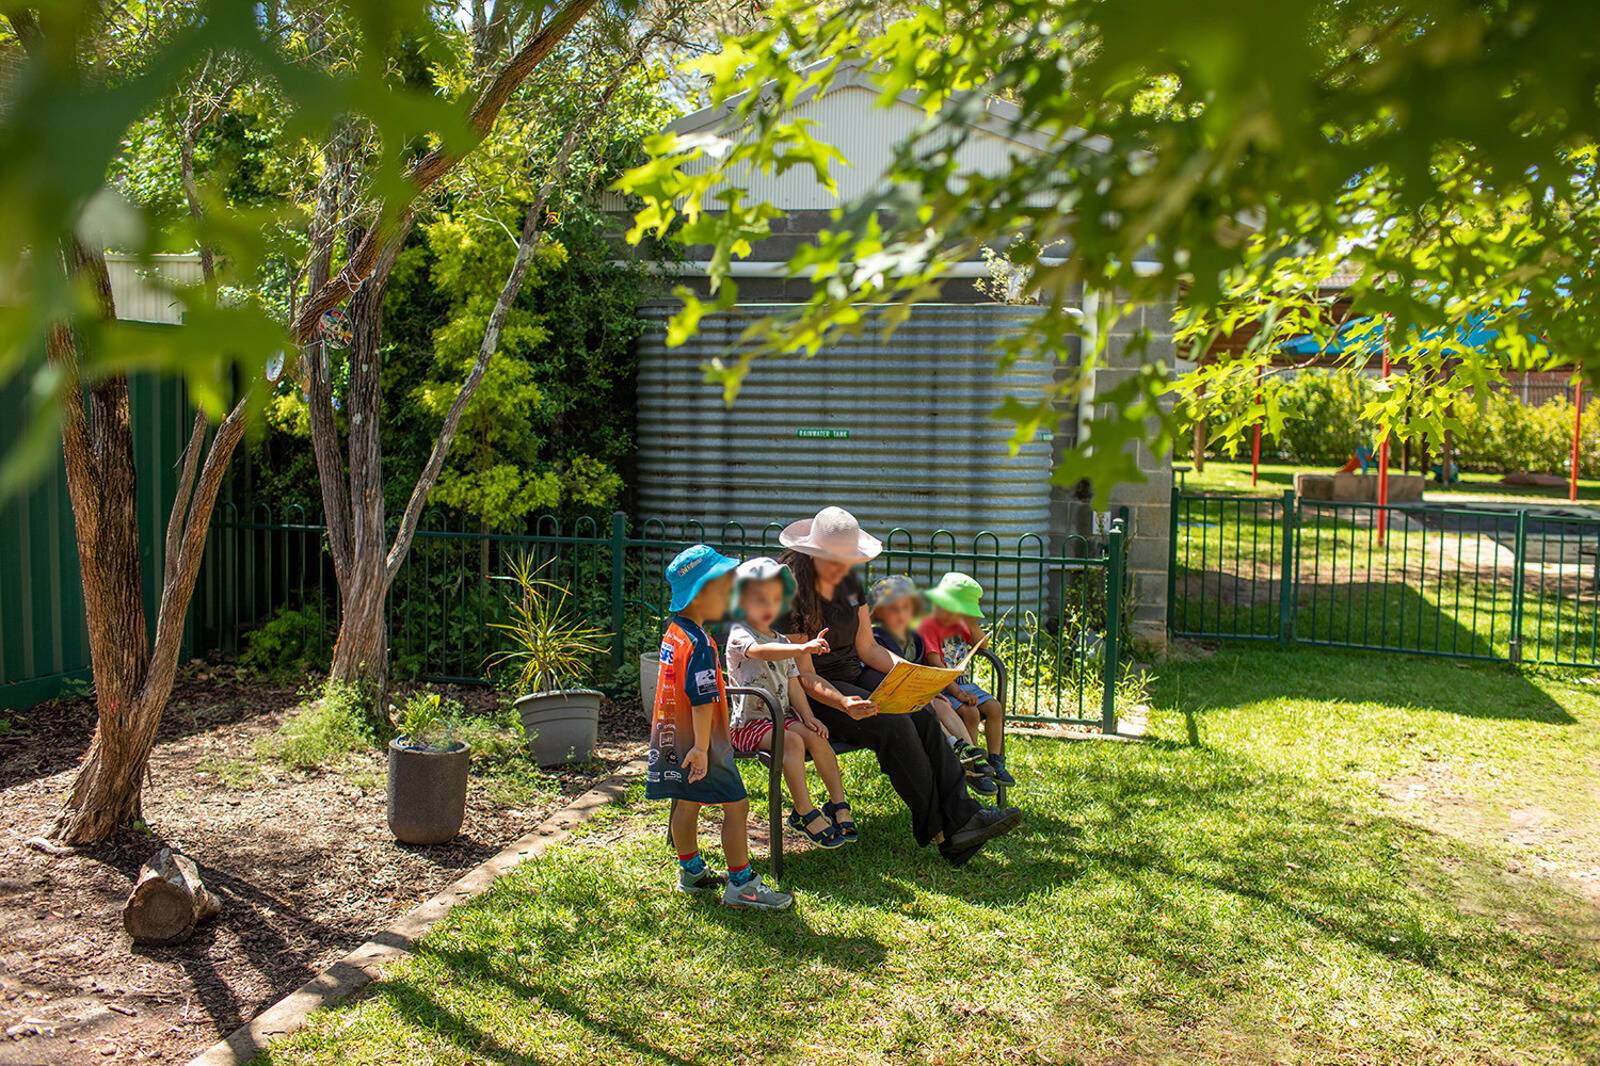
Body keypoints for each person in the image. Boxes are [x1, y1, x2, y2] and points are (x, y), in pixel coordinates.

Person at [775, 506, 1022, 867]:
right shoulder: (792, 592)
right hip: (817, 692)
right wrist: (845, 703)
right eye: (834, 560)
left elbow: (868, 648)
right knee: (894, 725)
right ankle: (945, 831)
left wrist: (908, 672)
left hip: (854, 671)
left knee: (918, 709)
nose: (843, 567)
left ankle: (962, 817)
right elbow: (805, 674)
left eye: (848, 559)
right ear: (812, 554)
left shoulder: (848, 584)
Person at [648, 543, 792, 910]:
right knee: (737, 805)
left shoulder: (674, 633)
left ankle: (691, 871)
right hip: (703, 742)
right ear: (702, 593)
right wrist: (701, 748)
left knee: (686, 802)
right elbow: (700, 698)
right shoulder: (699, 643)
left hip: (672, 737)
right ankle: (741, 884)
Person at [726, 556, 853, 848]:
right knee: (793, 742)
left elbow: (794, 683)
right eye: (760, 600)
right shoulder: (740, 634)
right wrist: (801, 647)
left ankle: (839, 804)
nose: (768, 607)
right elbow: (760, 651)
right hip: (749, 724)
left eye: (774, 599)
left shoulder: (782, 639)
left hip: (781, 717)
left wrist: (809, 717)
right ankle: (803, 812)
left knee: (818, 737)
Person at [867, 574, 998, 796]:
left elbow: (922, 666)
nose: (903, 615)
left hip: (920, 694)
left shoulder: (913, 637)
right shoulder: (876, 637)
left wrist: (931, 689)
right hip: (894, 700)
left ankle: (972, 757)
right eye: (895, 609)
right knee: (932, 710)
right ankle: (956, 748)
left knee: (943, 705)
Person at [919, 571, 1015, 787]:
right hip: (944, 686)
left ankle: (996, 761)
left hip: (964, 684)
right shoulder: (929, 627)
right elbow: (937, 666)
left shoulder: (959, 624)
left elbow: (983, 646)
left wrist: (971, 623)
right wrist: (959, 694)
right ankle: (974, 766)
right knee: (970, 713)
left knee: (994, 708)